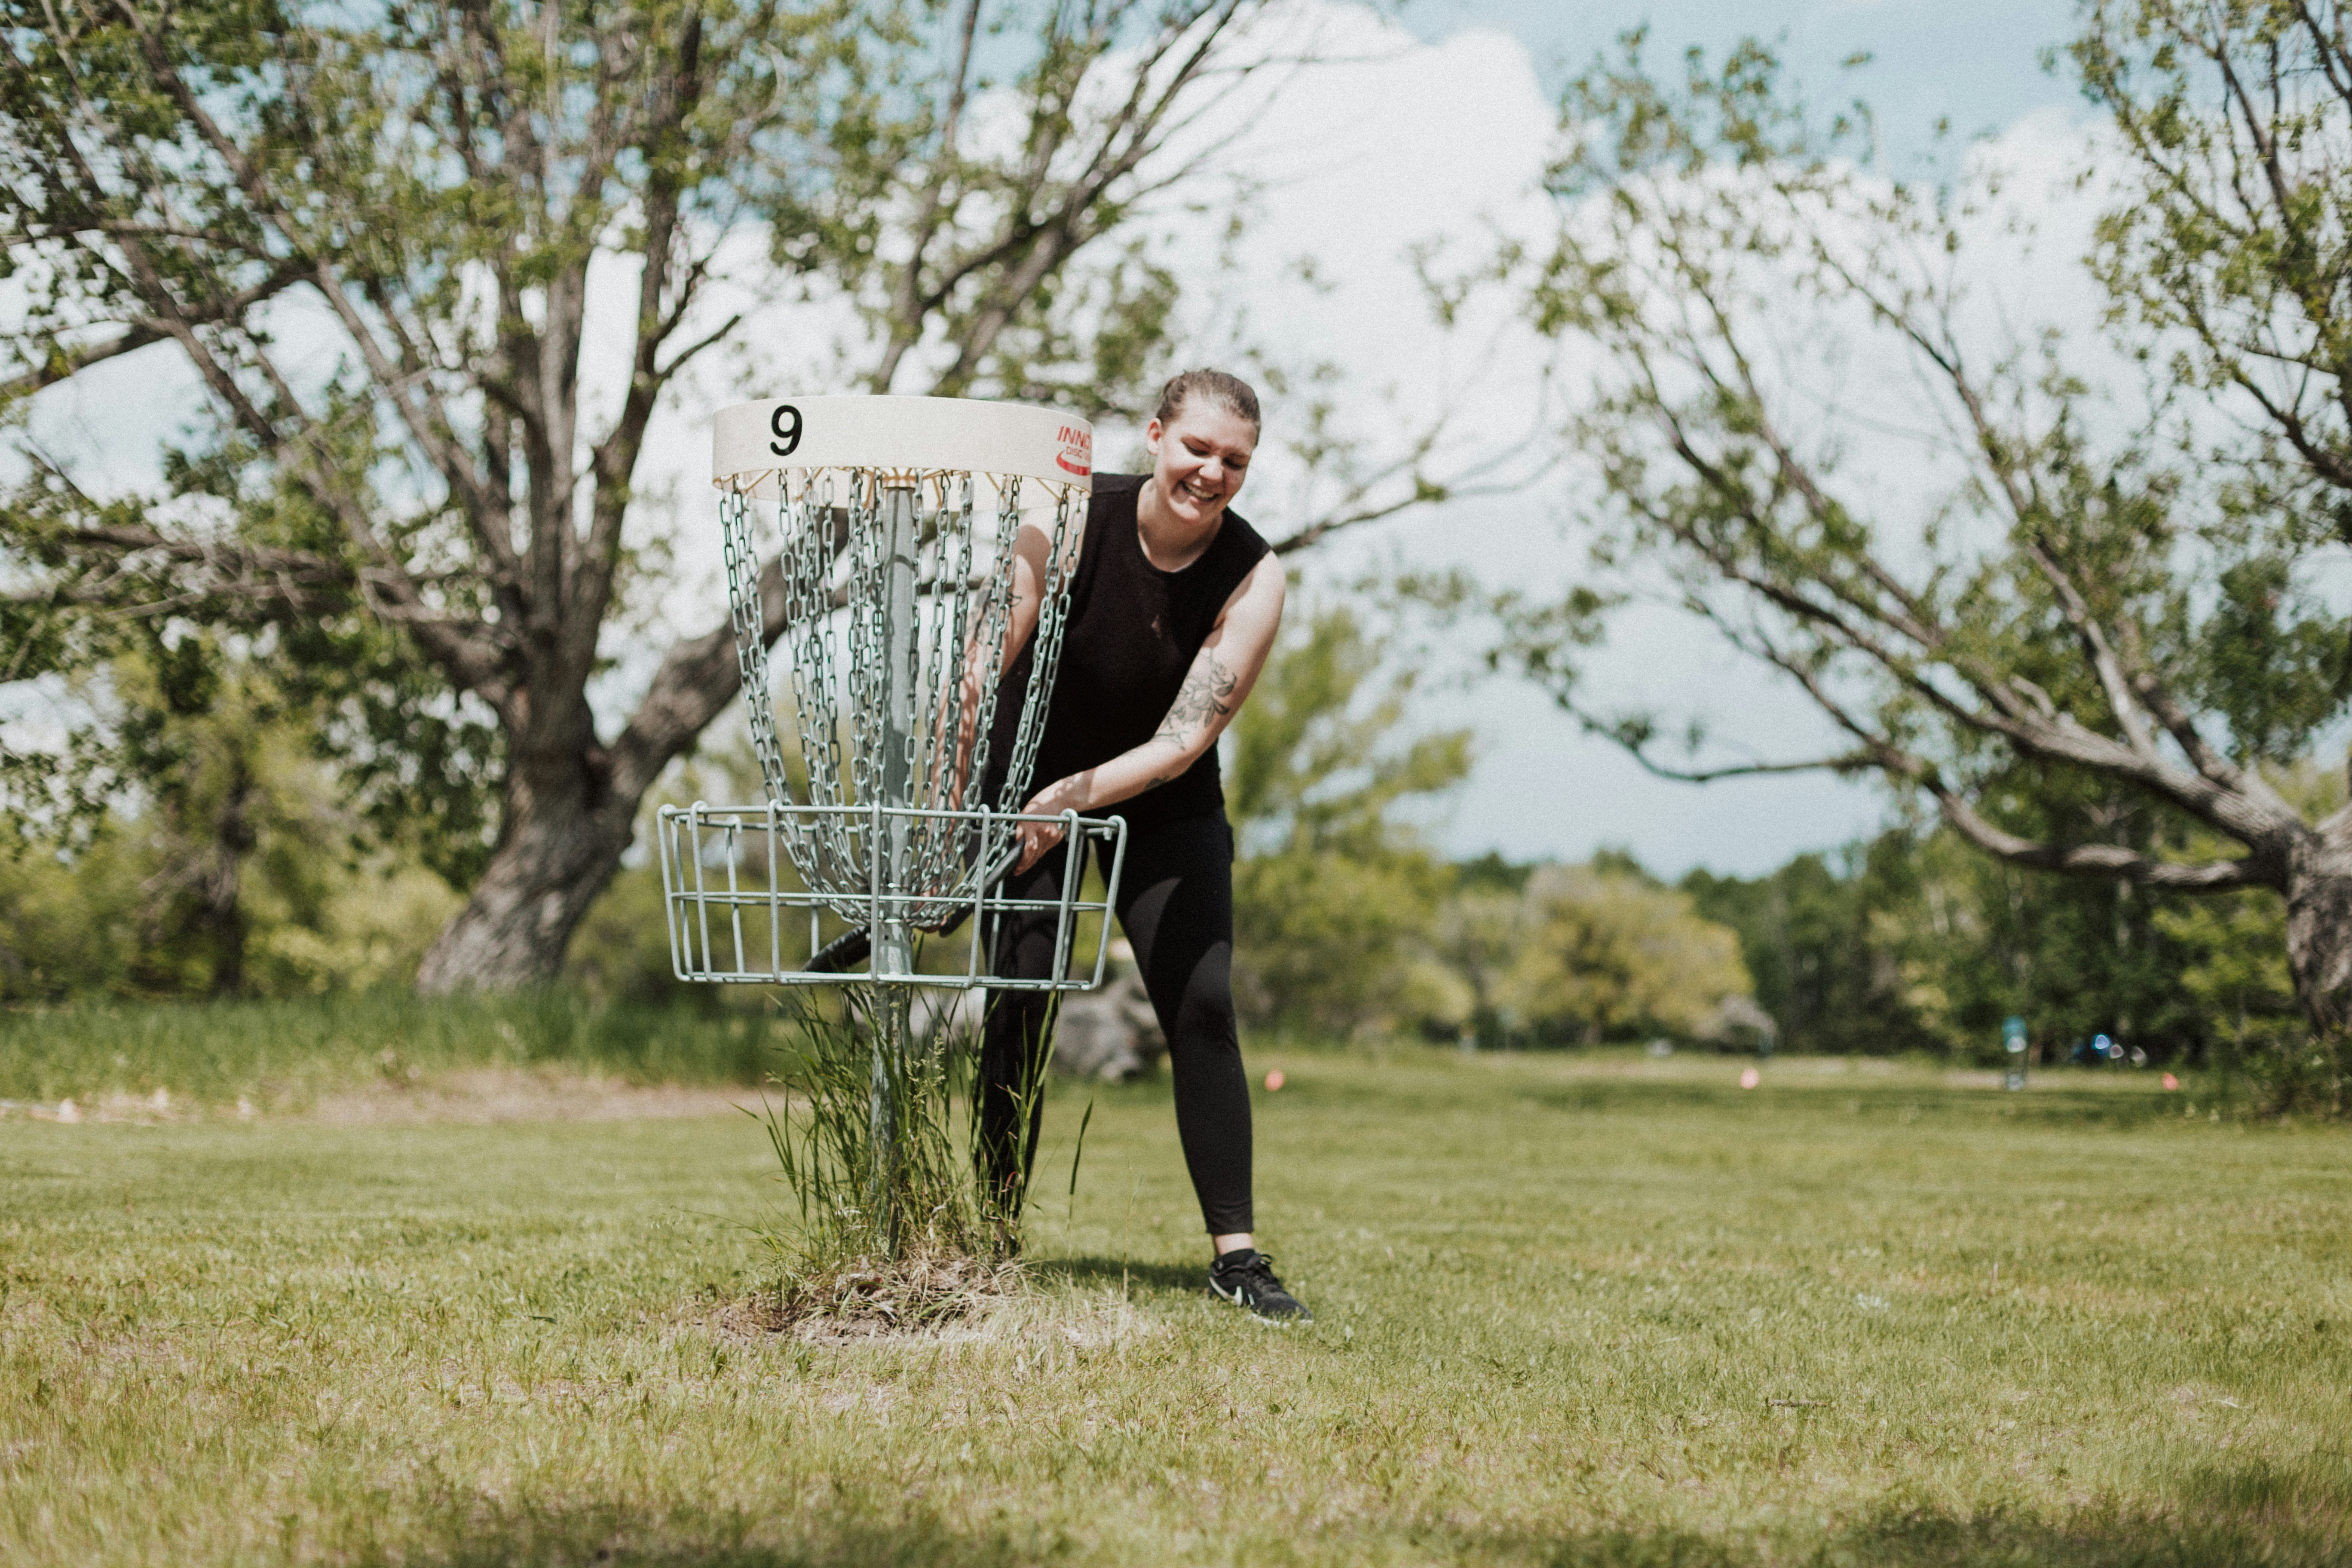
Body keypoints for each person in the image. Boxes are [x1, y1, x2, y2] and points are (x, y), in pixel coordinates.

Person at [974, 368, 1308, 1323]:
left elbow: (1179, 745)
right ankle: (991, 1235)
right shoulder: (1073, 511)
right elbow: (997, 636)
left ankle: (1237, 1258)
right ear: (1157, 435)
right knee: (1021, 992)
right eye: (1197, 447)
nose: (1211, 472)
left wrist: (1067, 802)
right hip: (1030, 769)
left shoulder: (1254, 576)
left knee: (1202, 1004)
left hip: (1160, 800)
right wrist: (969, 762)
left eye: (1234, 461)